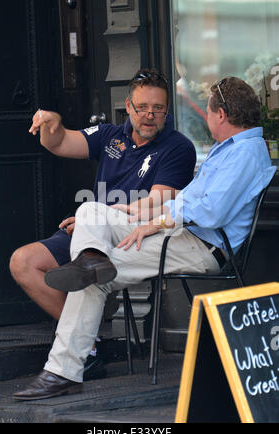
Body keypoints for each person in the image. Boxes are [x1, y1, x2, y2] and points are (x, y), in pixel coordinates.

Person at [14, 76, 275, 401]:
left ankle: (62, 372)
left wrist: (156, 222)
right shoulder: (231, 150)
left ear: (220, 114)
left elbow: (210, 212)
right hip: (179, 233)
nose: (207, 119)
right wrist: (135, 213)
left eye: (207, 113)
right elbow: (188, 200)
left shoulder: (245, 153)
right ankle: (90, 257)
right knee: (92, 211)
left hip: (200, 245)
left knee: (95, 280)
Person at [9, 68, 196, 380]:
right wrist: (50, 123)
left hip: (131, 237)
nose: (149, 116)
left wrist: (95, 215)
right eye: (141, 108)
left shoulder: (178, 147)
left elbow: (158, 205)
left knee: (87, 248)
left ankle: (77, 346)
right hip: (90, 231)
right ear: (128, 106)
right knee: (22, 262)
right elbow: (59, 143)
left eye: (158, 108)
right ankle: (91, 344)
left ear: (167, 110)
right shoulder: (111, 135)